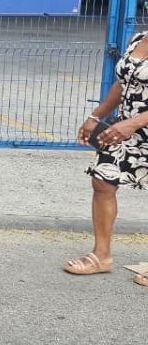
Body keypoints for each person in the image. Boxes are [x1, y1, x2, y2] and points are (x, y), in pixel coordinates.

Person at [69, 33, 148, 287]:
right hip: (123, 129)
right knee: (103, 181)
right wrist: (95, 117)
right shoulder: (138, 39)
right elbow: (122, 85)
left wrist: (134, 123)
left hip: (133, 126)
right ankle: (101, 256)